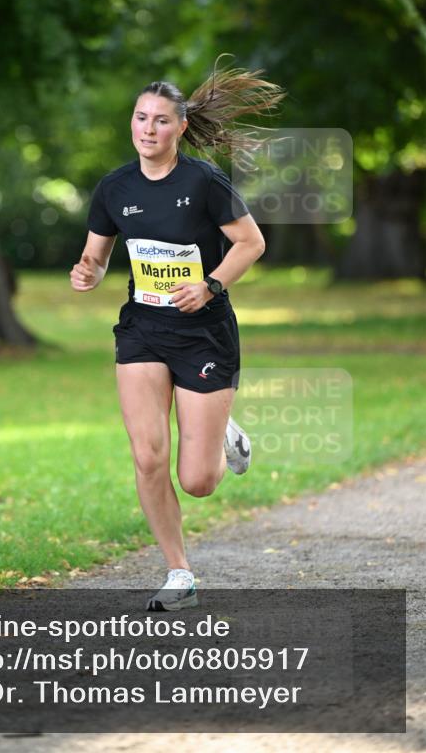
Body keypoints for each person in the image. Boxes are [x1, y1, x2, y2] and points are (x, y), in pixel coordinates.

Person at [70, 59, 285, 611]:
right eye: (141, 118)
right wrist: (87, 273)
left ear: (180, 127)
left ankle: (222, 434)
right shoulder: (114, 188)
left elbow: (251, 243)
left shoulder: (204, 182)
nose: (148, 129)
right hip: (142, 328)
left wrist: (210, 286)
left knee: (198, 481)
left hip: (203, 334)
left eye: (161, 120)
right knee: (147, 457)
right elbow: (95, 256)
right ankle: (179, 573)